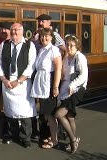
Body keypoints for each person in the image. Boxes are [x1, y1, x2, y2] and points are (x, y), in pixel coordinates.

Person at [0, 23, 37, 148]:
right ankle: (11, 134)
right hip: (7, 83)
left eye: (16, 30)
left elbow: (31, 66)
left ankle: (25, 138)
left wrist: (18, 81)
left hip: (22, 83)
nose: (14, 32)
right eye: (12, 30)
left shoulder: (30, 45)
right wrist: (4, 79)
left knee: (25, 112)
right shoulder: (4, 44)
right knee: (10, 111)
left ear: (22, 31)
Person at [32, 14, 66, 142]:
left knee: (50, 112)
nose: (40, 23)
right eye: (39, 21)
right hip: (40, 77)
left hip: (49, 77)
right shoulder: (39, 41)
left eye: (43, 21)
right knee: (44, 110)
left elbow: (63, 53)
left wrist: (57, 83)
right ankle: (46, 135)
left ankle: (56, 137)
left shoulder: (54, 43)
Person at [55, 34, 88, 154]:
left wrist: (72, 86)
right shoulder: (67, 57)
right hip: (66, 90)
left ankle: (73, 140)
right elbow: (64, 76)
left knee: (59, 114)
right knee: (70, 117)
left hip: (76, 90)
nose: (69, 47)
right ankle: (72, 141)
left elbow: (83, 76)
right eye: (67, 45)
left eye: (71, 45)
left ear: (77, 46)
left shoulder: (80, 57)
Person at [30, 28, 62, 149]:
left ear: (51, 38)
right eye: (42, 36)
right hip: (41, 84)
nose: (44, 38)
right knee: (46, 114)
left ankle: (55, 140)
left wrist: (55, 86)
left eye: (47, 36)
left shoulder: (54, 50)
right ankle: (51, 136)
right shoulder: (42, 50)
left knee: (50, 115)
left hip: (48, 84)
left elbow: (58, 68)